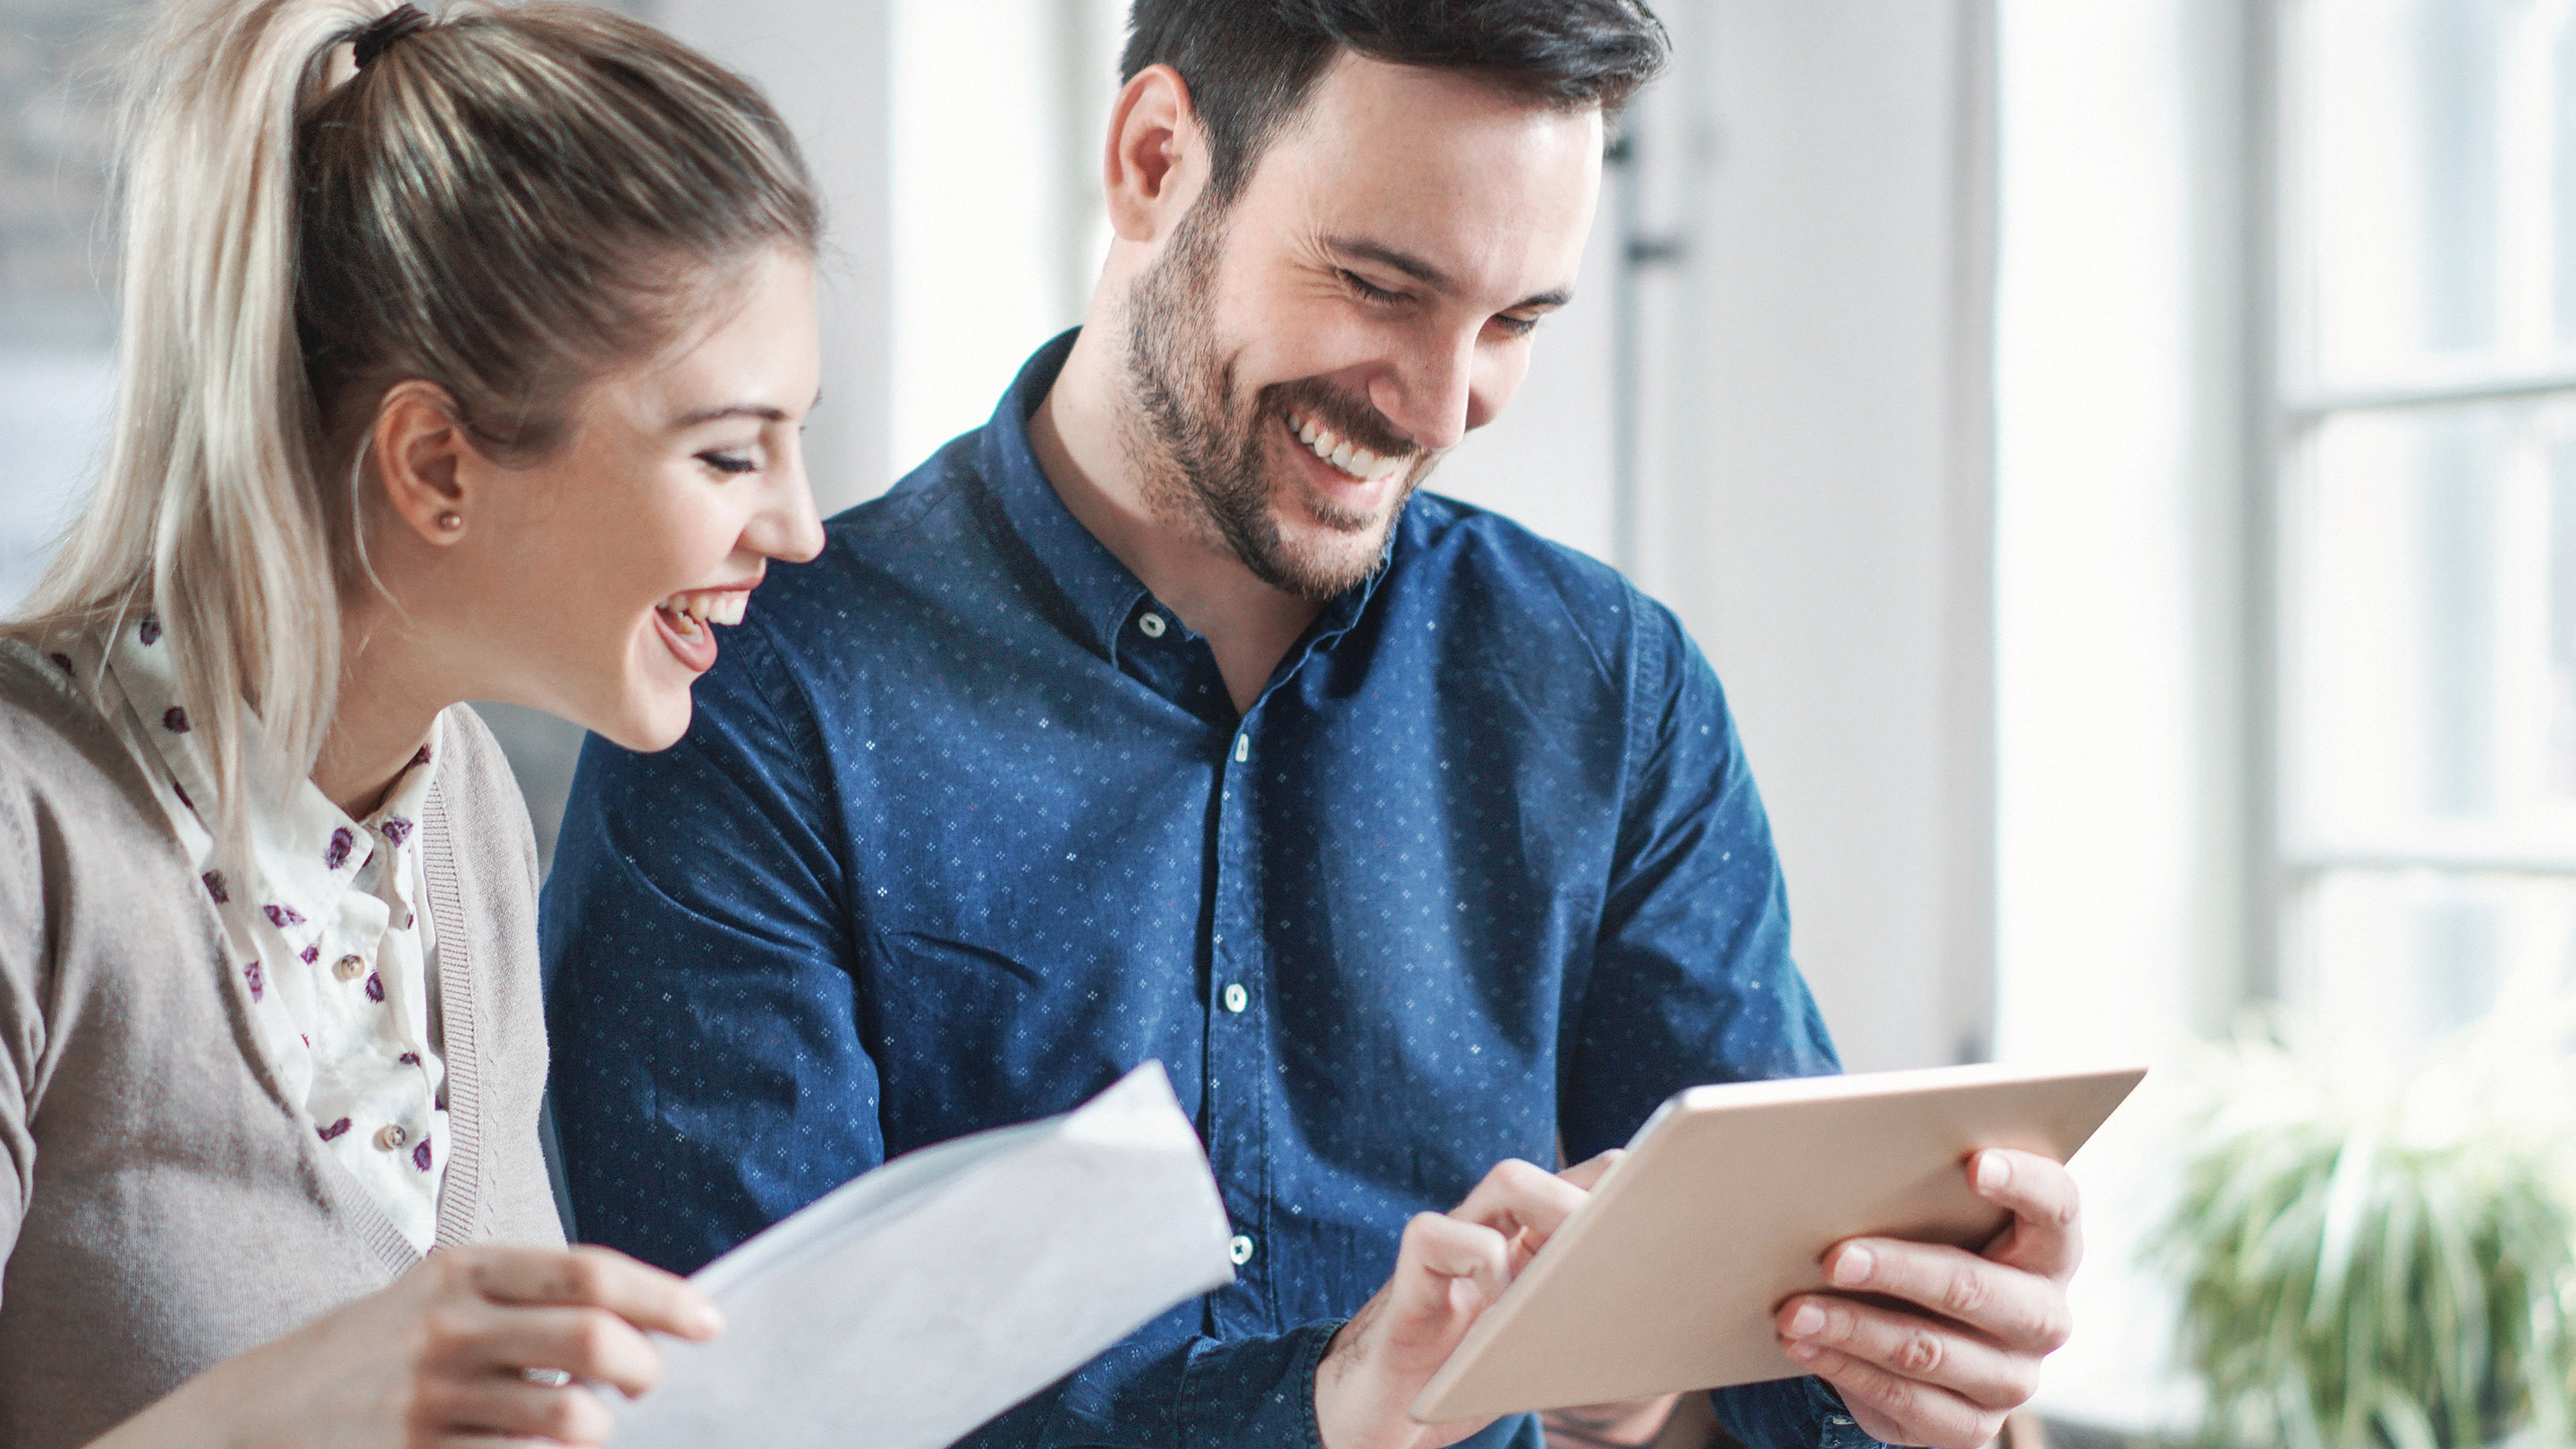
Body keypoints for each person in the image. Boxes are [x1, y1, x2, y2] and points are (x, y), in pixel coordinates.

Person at [541, 3, 2082, 1448]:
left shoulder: (1606, 687)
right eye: (1382, 287)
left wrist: (1921, 1371)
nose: (1440, 405)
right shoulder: (754, 696)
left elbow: (1774, 1352)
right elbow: (742, 1417)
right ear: (1156, 160)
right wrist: (1330, 1405)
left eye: (1513, 319)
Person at [0, 2, 828, 1445]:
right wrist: (277, 1414)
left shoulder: (464, 815)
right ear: (437, 465)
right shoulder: (29, 837)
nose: (800, 528)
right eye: (727, 454)